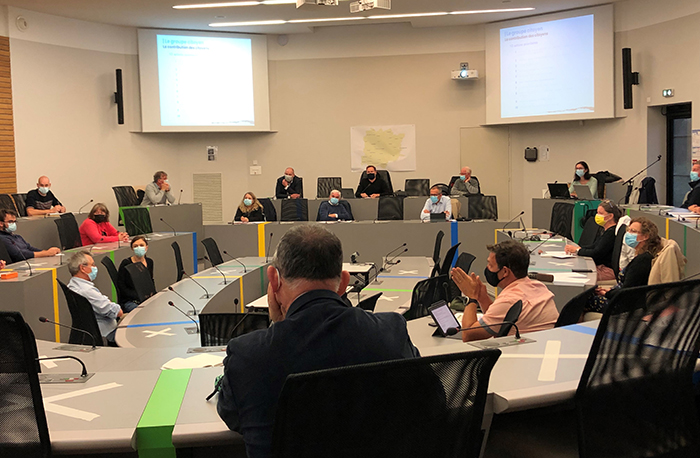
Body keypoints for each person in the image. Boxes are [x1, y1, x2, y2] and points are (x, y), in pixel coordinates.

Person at [217, 225, 419, 458]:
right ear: (344, 282)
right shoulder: (391, 332)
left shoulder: (248, 355)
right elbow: (428, 400)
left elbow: (232, 415)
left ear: (274, 279)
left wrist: (276, 327)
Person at [451, 240, 558, 342]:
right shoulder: (539, 287)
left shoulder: (509, 299)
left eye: (491, 265)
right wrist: (482, 297)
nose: (487, 268)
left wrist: (472, 298)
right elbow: (498, 323)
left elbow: (468, 335)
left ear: (505, 271)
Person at [586, 217, 661, 313]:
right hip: (621, 297)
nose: (628, 234)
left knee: (583, 301)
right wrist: (608, 291)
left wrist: (608, 293)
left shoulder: (642, 260)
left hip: (624, 306)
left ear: (645, 236)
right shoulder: (642, 254)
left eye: (633, 231)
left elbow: (627, 291)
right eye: (628, 230)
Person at [67, 251, 123, 345]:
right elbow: (117, 312)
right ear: (83, 268)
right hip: (107, 332)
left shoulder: (72, 285)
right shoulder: (87, 290)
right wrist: (108, 302)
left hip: (91, 330)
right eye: (92, 265)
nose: (95, 268)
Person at [565, 200, 621, 281]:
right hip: (601, 266)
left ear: (610, 216)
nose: (597, 215)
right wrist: (578, 248)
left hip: (607, 270)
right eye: (597, 212)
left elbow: (596, 253)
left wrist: (578, 250)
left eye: (601, 213)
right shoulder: (606, 230)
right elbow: (595, 245)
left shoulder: (611, 233)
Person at [117, 236, 154, 313]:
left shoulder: (149, 262)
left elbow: (150, 281)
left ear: (146, 247)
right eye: (135, 246)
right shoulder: (126, 263)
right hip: (130, 301)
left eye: (141, 245)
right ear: (132, 248)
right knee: (143, 312)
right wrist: (136, 296)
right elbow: (121, 285)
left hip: (145, 298)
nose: (139, 248)